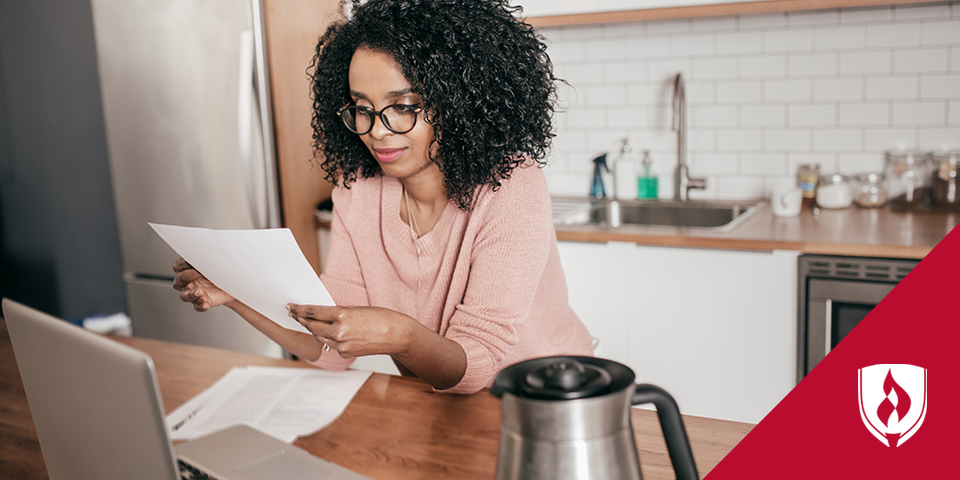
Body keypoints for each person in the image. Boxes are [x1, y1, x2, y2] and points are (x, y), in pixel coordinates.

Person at [173, 0, 593, 394]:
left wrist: (398, 334)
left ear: (459, 101)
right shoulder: (358, 189)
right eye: (362, 107)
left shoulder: (509, 184)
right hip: (439, 403)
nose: (376, 129)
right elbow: (330, 346)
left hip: (544, 401)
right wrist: (236, 294)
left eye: (403, 105)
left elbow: (477, 365)